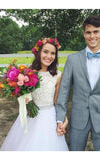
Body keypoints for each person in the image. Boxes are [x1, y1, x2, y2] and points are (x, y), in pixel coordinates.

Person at [0, 37, 68, 151]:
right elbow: (22, 94)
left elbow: (57, 101)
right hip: (31, 116)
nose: (49, 56)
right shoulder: (28, 73)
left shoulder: (57, 75)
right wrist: (25, 99)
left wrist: (64, 119)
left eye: (53, 53)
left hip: (49, 116)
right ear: (38, 52)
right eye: (45, 52)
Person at [56, 15, 100, 151]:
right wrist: (60, 117)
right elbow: (64, 90)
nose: (92, 36)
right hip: (78, 118)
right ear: (84, 34)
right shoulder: (73, 59)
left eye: (96, 31)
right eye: (88, 32)